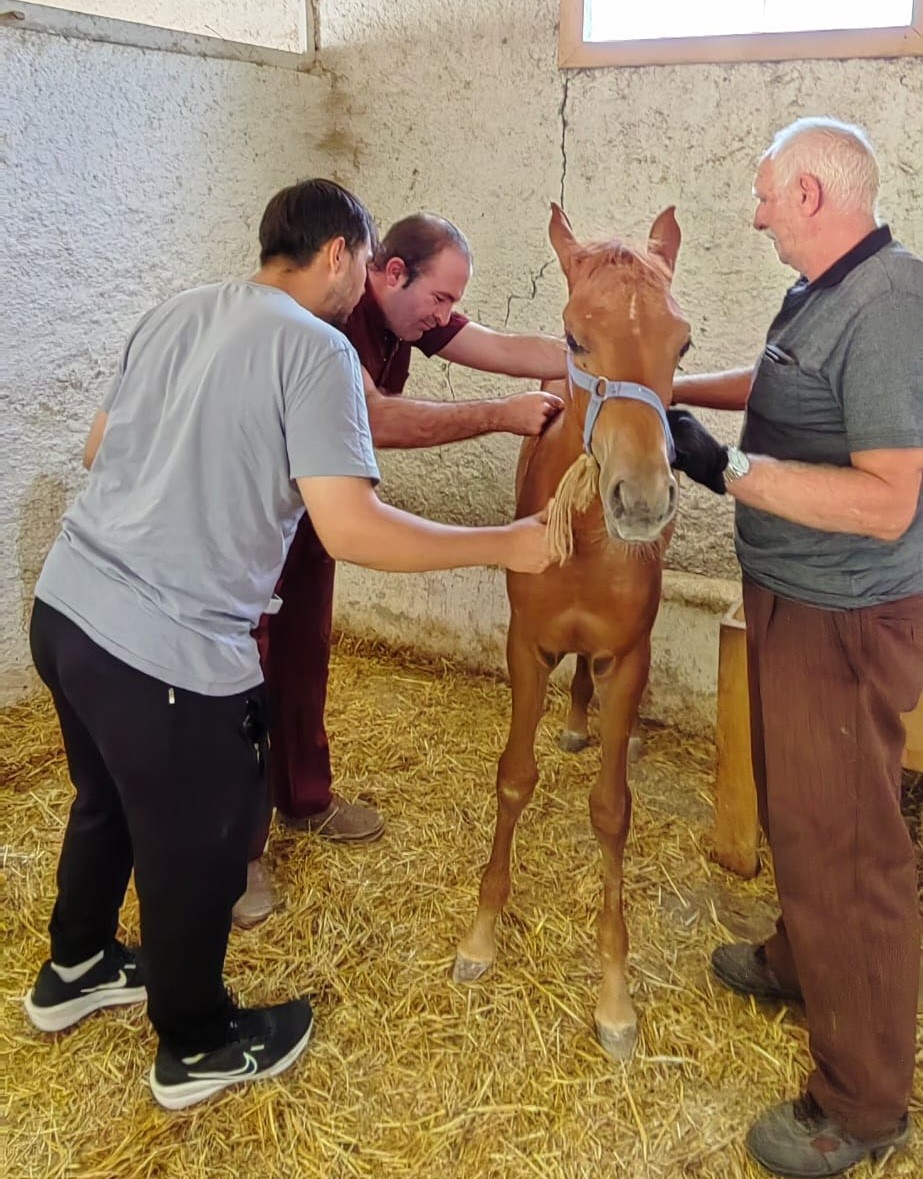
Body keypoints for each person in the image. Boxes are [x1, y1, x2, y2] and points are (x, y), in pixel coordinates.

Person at [23, 178, 554, 1110]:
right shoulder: (316, 348)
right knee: (207, 835)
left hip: (65, 609)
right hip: (165, 645)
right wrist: (501, 543)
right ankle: (196, 1042)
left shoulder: (178, 309)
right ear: (343, 256)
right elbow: (350, 528)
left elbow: (102, 444)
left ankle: (77, 965)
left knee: (102, 796)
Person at [669, 118, 923, 1177]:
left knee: (848, 845)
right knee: (794, 809)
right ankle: (799, 956)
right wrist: (668, 390)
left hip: (842, 616)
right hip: (784, 594)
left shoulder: (887, 307)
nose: (756, 210)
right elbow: (778, 387)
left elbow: (883, 501)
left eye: (767, 194)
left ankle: (861, 1105)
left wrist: (726, 470)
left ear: (813, 196)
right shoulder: (820, 291)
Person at [236, 212, 568, 925]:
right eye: (440, 298)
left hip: (318, 511)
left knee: (304, 656)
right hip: (264, 517)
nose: (446, 316)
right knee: (247, 678)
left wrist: (599, 352)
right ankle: (238, 852)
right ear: (389, 273)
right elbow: (375, 418)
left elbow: (504, 347)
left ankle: (304, 797)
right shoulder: (335, 319)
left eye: (452, 301)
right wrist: (498, 415)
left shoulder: (408, 317)